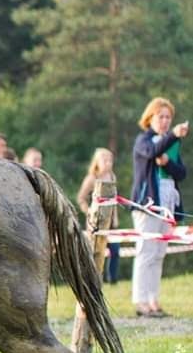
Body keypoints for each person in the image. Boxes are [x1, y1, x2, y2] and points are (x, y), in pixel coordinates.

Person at [130, 96, 188, 317]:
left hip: (168, 204)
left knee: (159, 254)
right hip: (148, 204)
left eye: (168, 117)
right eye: (161, 116)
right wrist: (173, 134)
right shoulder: (142, 140)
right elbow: (152, 153)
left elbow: (181, 173)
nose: (165, 121)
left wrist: (168, 163)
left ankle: (153, 300)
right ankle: (141, 301)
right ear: (150, 118)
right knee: (146, 252)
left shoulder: (171, 145)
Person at [77, 148, 121, 284]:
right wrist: (89, 211)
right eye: (105, 160)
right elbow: (81, 198)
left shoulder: (112, 177)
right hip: (96, 222)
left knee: (115, 250)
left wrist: (116, 218)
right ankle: (92, 279)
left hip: (111, 222)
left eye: (110, 160)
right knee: (95, 252)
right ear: (97, 162)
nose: (108, 163)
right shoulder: (91, 179)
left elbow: (115, 200)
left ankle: (112, 279)